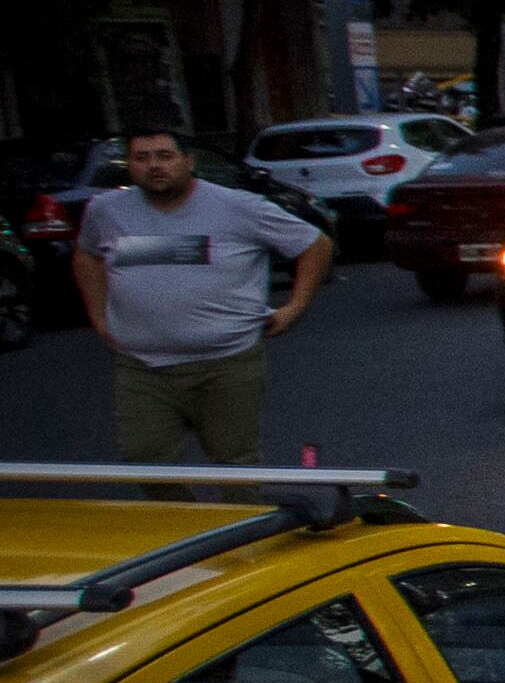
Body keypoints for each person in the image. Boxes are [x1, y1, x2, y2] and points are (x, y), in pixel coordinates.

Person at [75, 123, 330, 463]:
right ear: (130, 165)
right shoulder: (106, 210)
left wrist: (294, 307)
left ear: (188, 161)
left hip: (226, 363)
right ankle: (182, 517)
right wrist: (98, 314)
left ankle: (240, 516)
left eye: (165, 156)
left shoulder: (238, 206)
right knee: (145, 458)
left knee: (233, 461)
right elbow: (87, 254)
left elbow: (315, 244)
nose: (154, 166)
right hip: (142, 366)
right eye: (142, 158)